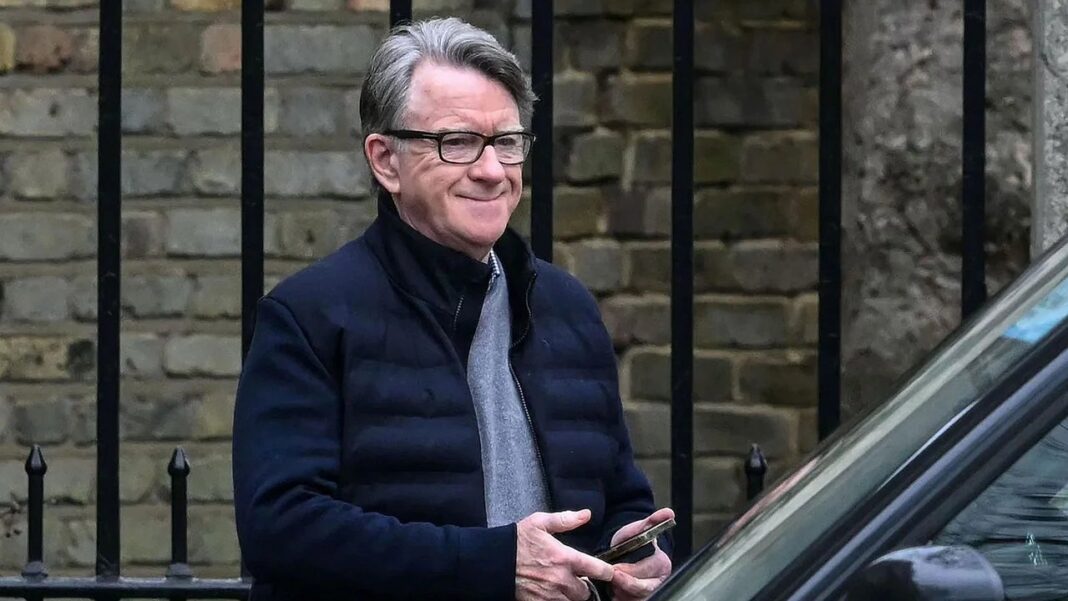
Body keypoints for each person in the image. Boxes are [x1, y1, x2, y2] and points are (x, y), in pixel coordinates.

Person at [232, 17, 673, 601]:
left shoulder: (567, 307)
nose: (492, 171)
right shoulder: (310, 316)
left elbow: (619, 494)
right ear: (385, 160)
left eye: (507, 142)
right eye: (457, 142)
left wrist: (632, 557)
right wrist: (491, 565)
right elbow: (281, 528)